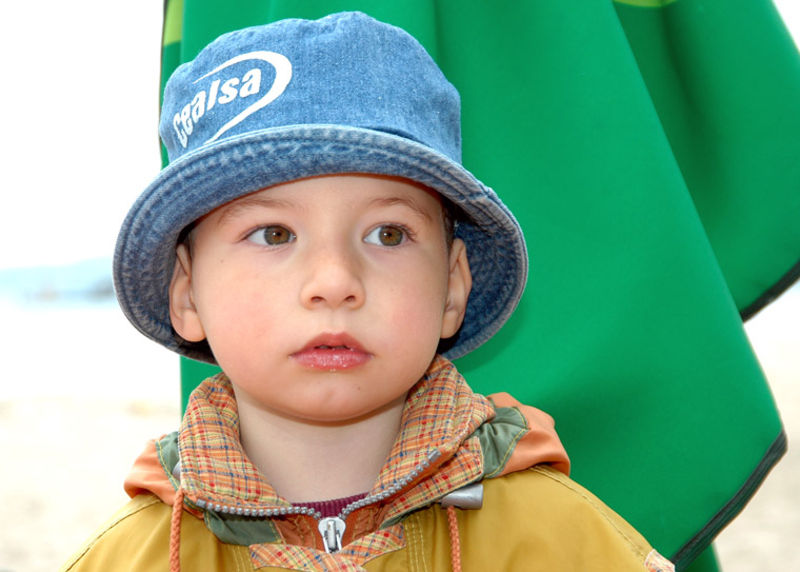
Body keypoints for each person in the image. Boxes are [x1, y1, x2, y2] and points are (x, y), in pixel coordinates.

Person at [63, 12, 675, 571]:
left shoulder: (568, 545)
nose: (334, 282)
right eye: (274, 234)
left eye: (388, 233)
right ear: (187, 294)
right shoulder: (127, 561)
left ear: (453, 287)